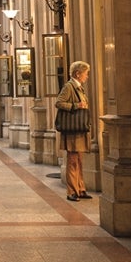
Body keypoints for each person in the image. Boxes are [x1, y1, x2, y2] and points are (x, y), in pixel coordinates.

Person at [55, 62, 93, 201]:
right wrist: (77, 105)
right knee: (72, 161)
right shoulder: (69, 87)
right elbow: (59, 102)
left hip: (79, 129)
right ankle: (71, 191)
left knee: (79, 160)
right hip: (72, 130)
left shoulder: (79, 88)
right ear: (78, 73)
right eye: (85, 73)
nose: (87, 76)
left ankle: (81, 189)